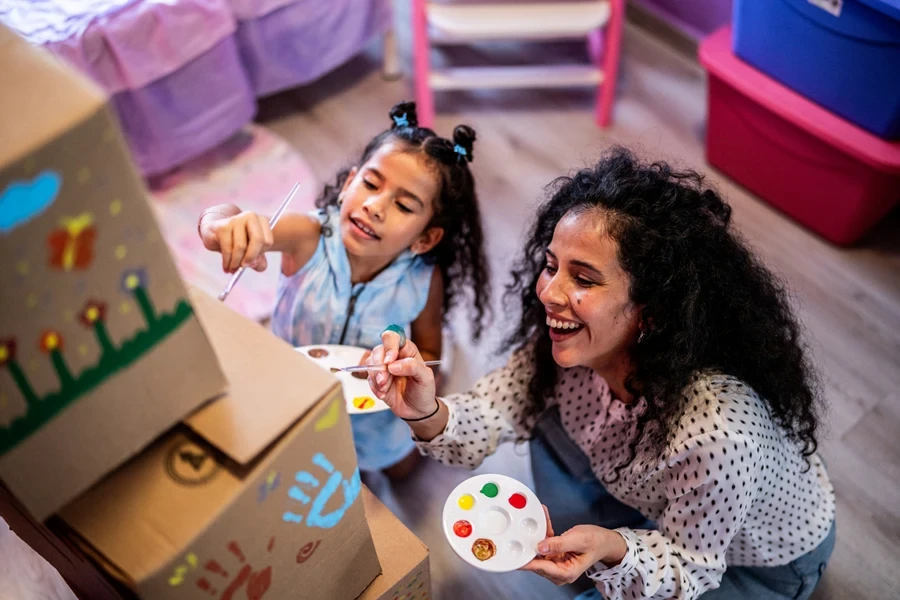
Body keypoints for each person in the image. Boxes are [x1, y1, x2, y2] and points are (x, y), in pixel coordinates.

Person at [366, 147, 835, 599]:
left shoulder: (717, 433)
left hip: (754, 563)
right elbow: (491, 410)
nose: (549, 292)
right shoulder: (568, 351)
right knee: (545, 412)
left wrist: (614, 550)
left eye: (584, 279)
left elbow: (687, 568)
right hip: (653, 497)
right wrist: (425, 410)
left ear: (650, 314)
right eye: (551, 266)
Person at [197, 101, 490, 479]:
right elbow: (224, 220)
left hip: (378, 414)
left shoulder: (423, 279)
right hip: (297, 391)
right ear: (349, 183)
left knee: (398, 471)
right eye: (370, 184)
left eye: (403, 205)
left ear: (425, 238)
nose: (374, 206)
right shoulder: (306, 236)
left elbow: (431, 348)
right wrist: (221, 225)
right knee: (311, 459)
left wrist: (408, 369)